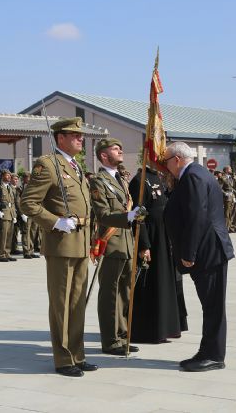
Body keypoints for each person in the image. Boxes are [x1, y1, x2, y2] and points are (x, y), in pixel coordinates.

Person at [20, 116, 97, 378]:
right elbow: (28, 203)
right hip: (61, 243)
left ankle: (77, 353)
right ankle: (63, 358)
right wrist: (55, 222)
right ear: (60, 138)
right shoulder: (48, 165)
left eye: (81, 135)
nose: (80, 138)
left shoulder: (75, 166)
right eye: (75, 135)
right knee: (62, 304)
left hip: (81, 242)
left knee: (77, 303)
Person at [162, 142, 234, 372]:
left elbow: (197, 217)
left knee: (213, 306)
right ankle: (207, 351)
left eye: (166, 161)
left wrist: (189, 253)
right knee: (211, 305)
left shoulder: (193, 176)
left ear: (177, 159)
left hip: (206, 251)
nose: (164, 166)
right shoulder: (195, 174)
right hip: (208, 249)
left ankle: (213, 355)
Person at [90, 138, 143, 356]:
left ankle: (123, 336)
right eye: (115, 149)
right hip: (111, 243)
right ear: (104, 156)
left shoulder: (120, 178)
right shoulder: (98, 181)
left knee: (125, 292)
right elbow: (103, 214)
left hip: (127, 243)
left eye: (120, 147)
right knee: (111, 293)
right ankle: (110, 341)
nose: (120, 150)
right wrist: (129, 216)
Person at [128, 166, 188, 344]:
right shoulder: (140, 180)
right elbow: (138, 215)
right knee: (152, 284)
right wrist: (143, 244)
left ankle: (167, 326)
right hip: (152, 240)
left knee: (168, 283)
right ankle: (149, 329)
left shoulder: (162, 178)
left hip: (165, 238)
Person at [0, 169, 17, 263]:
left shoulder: (10, 188)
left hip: (10, 214)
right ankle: (1, 254)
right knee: (3, 236)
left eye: (10, 175)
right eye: (7, 175)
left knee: (9, 235)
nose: (9, 177)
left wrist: (14, 215)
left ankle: (7, 253)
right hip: (3, 213)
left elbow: (13, 202)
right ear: (2, 176)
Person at [218, 166, 235, 232]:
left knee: (231, 212)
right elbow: (219, 188)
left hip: (231, 197)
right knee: (226, 213)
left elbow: (232, 187)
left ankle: (229, 226)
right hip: (227, 198)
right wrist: (225, 193)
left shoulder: (230, 178)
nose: (231, 170)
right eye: (230, 169)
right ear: (226, 170)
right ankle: (225, 227)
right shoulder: (222, 178)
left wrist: (233, 196)